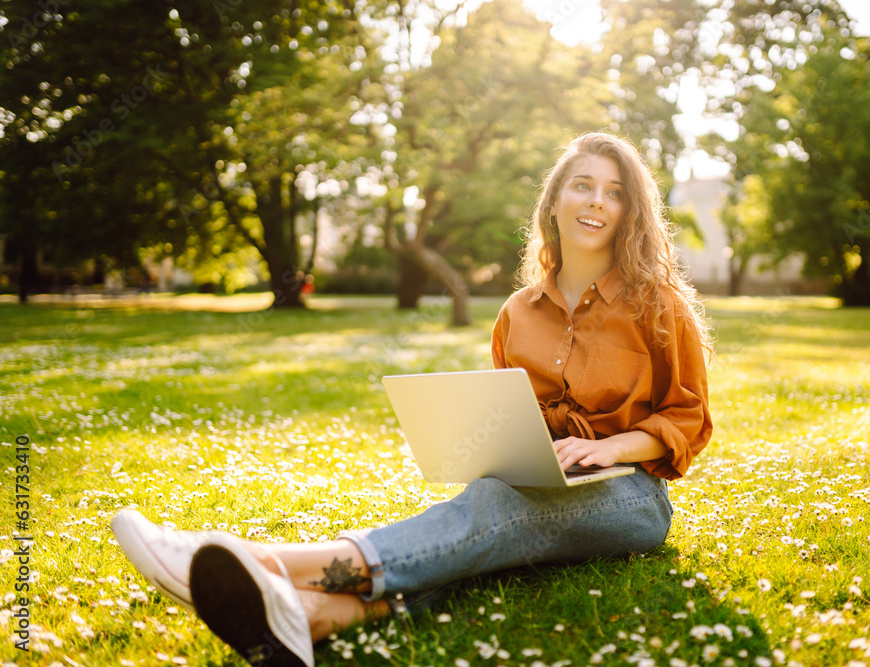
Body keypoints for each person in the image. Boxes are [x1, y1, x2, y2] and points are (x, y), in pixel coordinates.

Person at [111, 132, 713, 667]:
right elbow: (512, 416)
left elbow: (687, 419)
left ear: (631, 211)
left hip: (630, 494)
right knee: (486, 533)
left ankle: (257, 563)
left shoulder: (659, 304)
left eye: (613, 192)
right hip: (538, 484)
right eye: (582, 186)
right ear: (555, 202)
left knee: (493, 514)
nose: (596, 202)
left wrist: (608, 450)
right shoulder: (516, 314)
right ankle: (312, 618)